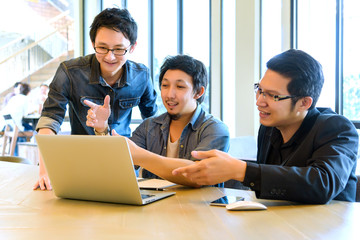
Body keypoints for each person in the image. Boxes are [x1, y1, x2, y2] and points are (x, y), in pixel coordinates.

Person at [171, 49, 358, 204]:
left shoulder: (337, 128)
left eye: (273, 96)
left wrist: (241, 170)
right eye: (259, 90)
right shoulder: (269, 128)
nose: (260, 101)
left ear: (304, 103)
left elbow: (322, 184)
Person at [34, 8, 158, 190]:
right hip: (80, 163)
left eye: (119, 49)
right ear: (93, 43)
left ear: (132, 47)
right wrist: (45, 171)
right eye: (102, 48)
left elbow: (154, 123)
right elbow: (50, 120)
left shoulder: (141, 76)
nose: (110, 56)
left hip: (124, 162)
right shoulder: (70, 72)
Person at [85, 55, 230, 187]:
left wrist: (140, 156)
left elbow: (196, 175)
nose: (169, 94)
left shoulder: (215, 130)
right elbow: (117, 166)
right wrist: (101, 128)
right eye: (165, 85)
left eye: (180, 87)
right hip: (155, 210)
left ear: (199, 92)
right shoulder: (150, 126)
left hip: (203, 211)